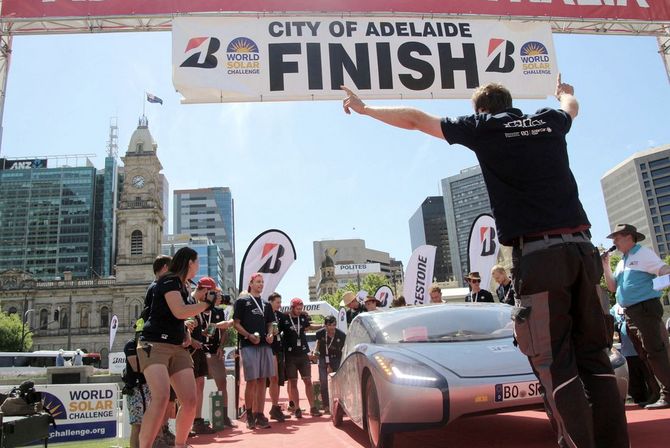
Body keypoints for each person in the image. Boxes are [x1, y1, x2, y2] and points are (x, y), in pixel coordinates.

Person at [341, 76, 630, 447]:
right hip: (582, 251)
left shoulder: (484, 127)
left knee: (555, 362)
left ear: (481, 109)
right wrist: (566, 94)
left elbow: (416, 120)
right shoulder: (548, 121)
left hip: (541, 258)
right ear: (510, 101)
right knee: (595, 358)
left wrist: (365, 109)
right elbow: (570, 109)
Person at [137, 247, 220, 448]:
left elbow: (179, 318)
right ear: (189, 263)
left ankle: (180, 445)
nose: (198, 266)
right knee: (162, 396)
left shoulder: (183, 286)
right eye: (197, 262)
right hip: (154, 344)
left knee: (190, 401)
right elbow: (179, 310)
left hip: (177, 347)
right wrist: (207, 304)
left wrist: (186, 333)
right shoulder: (169, 280)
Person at [602, 223, 670, 409]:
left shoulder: (643, 253)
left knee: (655, 351)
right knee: (647, 353)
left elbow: (665, 272)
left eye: (617, 237)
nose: (614, 241)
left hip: (645, 309)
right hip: (633, 312)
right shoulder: (624, 259)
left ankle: (668, 394)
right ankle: (660, 392)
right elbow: (613, 287)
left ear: (629, 237)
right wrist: (606, 266)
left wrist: (652, 289)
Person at [188, 277, 234, 434]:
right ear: (206, 292)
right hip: (196, 350)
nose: (217, 298)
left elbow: (225, 329)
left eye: (218, 295)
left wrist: (221, 346)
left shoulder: (218, 311)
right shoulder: (193, 305)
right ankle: (193, 421)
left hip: (213, 351)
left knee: (221, 382)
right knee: (194, 385)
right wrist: (196, 336)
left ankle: (223, 416)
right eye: (214, 294)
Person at [233, 273, 276, 430]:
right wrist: (248, 335)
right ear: (250, 283)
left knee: (262, 381)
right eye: (258, 282)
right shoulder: (242, 301)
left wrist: (271, 333)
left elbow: (271, 323)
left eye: (262, 282)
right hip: (248, 345)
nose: (261, 284)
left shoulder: (266, 304)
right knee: (251, 381)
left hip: (265, 345)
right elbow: (236, 324)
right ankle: (249, 414)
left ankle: (259, 414)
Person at [277, 298, 322, 418]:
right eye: (297, 308)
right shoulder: (285, 318)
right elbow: (277, 330)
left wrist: (323, 325)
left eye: (301, 309)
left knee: (308, 381)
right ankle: (297, 408)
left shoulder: (303, 317)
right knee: (293, 382)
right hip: (290, 355)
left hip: (303, 354)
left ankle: (313, 407)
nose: (299, 310)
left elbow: (309, 327)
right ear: (292, 307)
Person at [610, 303, 658, 405]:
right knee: (634, 383)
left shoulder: (634, 300)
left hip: (643, 350)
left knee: (650, 377)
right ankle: (637, 401)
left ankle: (655, 396)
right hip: (627, 353)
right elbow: (611, 324)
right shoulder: (615, 308)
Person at [267, 292, 291, 422]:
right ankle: (254, 411)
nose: (280, 305)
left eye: (281, 302)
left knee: (275, 379)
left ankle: (275, 408)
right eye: (277, 302)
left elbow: (289, 322)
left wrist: (301, 314)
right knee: (262, 380)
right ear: (270, 302)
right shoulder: (264, 313)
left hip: (277, 349)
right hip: (266, 349)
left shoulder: (280, 316)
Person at [314, 315, 346, 412]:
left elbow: (344, 348)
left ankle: (340, 406)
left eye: (334, 325)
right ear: (325, 325)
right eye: (330, 325)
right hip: (323, 358)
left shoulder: (342, 335)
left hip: (336, 359)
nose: (332, 327)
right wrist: (315, 351)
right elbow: (318, 343)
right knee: (323, 382)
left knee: (338, 382)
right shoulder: (320, 333)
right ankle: (326, 406)